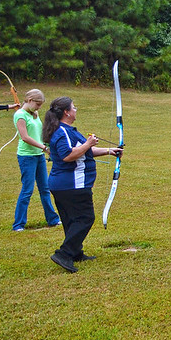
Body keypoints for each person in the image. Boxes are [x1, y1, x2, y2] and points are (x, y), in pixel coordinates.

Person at [42, 96, 122, 273]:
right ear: (66, 112)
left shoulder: (66, 130)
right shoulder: (61, 132)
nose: (76, 109)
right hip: (71, 184)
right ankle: (64, 253)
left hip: (65, 185)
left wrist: (110, 151)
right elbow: (68, 155)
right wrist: (87, 143)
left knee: (71, 219)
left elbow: (86, 151)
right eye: (74, 107)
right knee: (85, 218)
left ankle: (75, 252)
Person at [11, 89, 62, 232]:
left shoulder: (34, 114)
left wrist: (46, 145)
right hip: (27, 156)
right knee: (27, 190)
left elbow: (39, 134)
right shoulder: (20, 115)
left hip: (38, 155)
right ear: (30, 100)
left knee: (45, 188)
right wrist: (43, 148)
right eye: (37, 104)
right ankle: (18, 224)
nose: (39, 107)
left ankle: (53, 219)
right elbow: (25, 137)